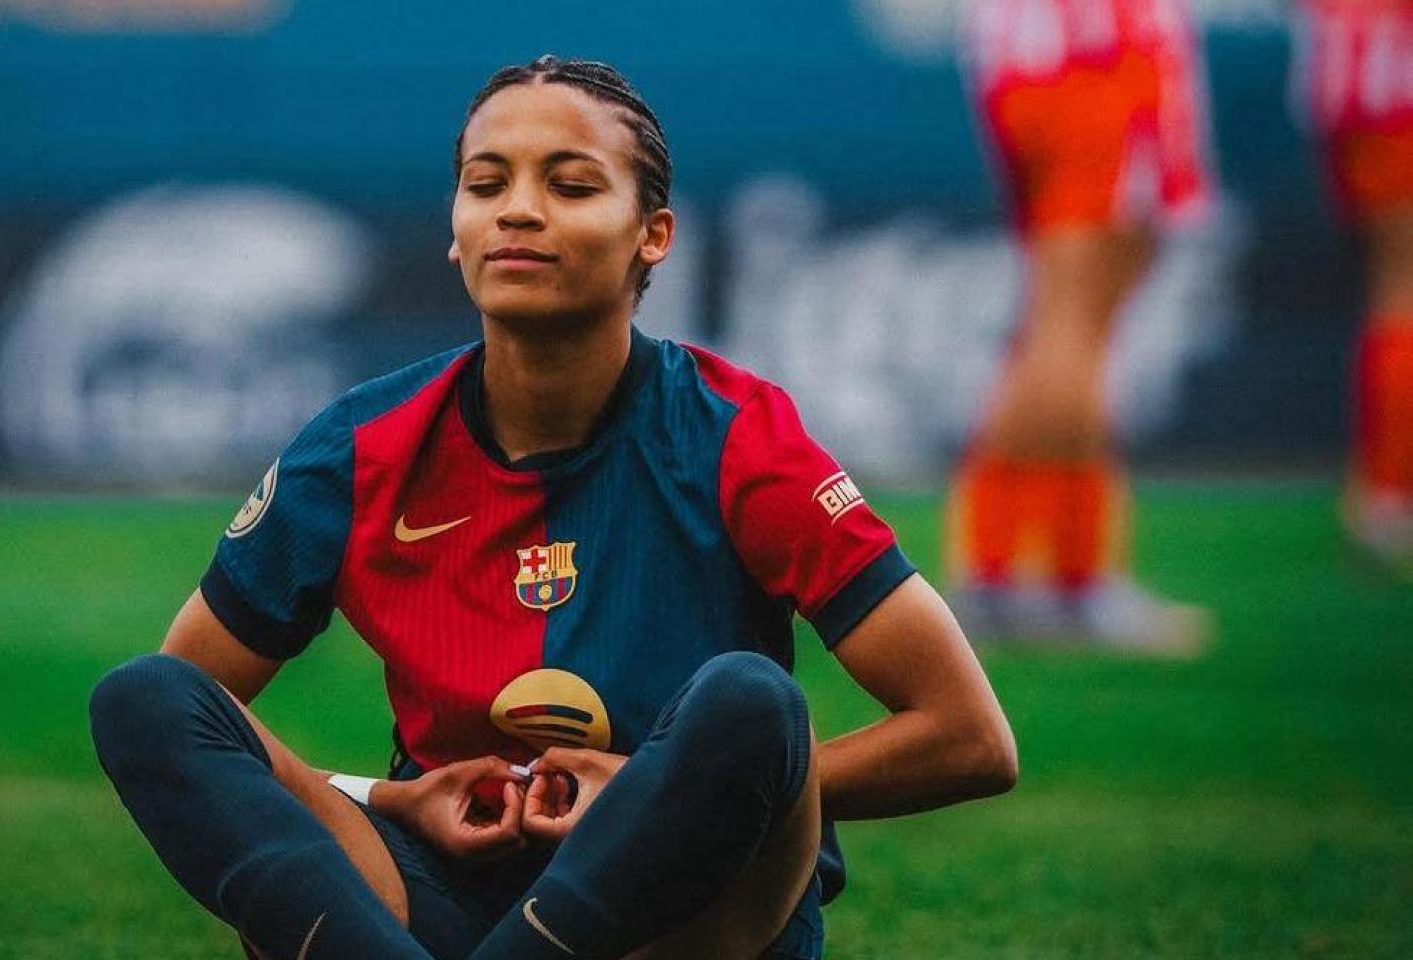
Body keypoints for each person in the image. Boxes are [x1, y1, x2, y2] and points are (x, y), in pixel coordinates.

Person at [89, 56, 1017, 960]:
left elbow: (970, 737)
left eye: (571, 186)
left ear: (653, 234)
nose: (519, 211)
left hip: (688, 916)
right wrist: (385, 796)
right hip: (433, 889)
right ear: (457, 229)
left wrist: (661, 791)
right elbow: (201, 726)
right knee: (147, 698)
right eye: (486, 185)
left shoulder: (741, 439)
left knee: (751, 705)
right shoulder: (360, 447)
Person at [949, 0, 1215, 653]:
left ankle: (998, 569)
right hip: (1094, 56)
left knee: (1059, 321)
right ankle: (1072, 577)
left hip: (1030, 54)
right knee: (1077, 323)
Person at [1295, 0, 1413, 570]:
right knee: (1402, 287)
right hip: (1391, 87)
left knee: (1394, 288)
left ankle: (1381, 488)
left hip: (1352, 85)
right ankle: (1388, 494)